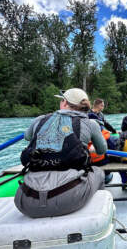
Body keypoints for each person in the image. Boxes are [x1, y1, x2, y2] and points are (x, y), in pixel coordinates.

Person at [15, 88, 107, 218]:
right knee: (99, 172)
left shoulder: (40, 120)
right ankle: (97, 216)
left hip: (26, 200)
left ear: (64, 103)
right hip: (70, 199)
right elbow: (102, 150)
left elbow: (27, 137)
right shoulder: (91, 123)